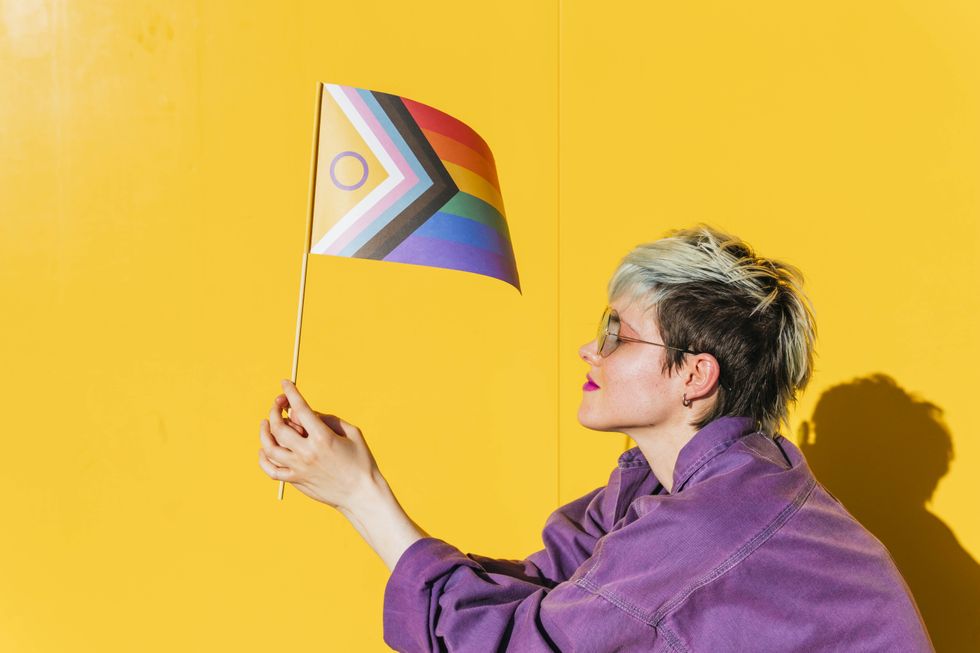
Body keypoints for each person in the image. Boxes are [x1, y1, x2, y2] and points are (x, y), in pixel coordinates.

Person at [258, 225, 933, 652]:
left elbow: (519, 645)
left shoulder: (716, 521)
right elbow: (541, 589)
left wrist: (361, 495)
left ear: (695, 374)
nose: (591, 348)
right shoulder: (665, 484)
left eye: (617, 332)